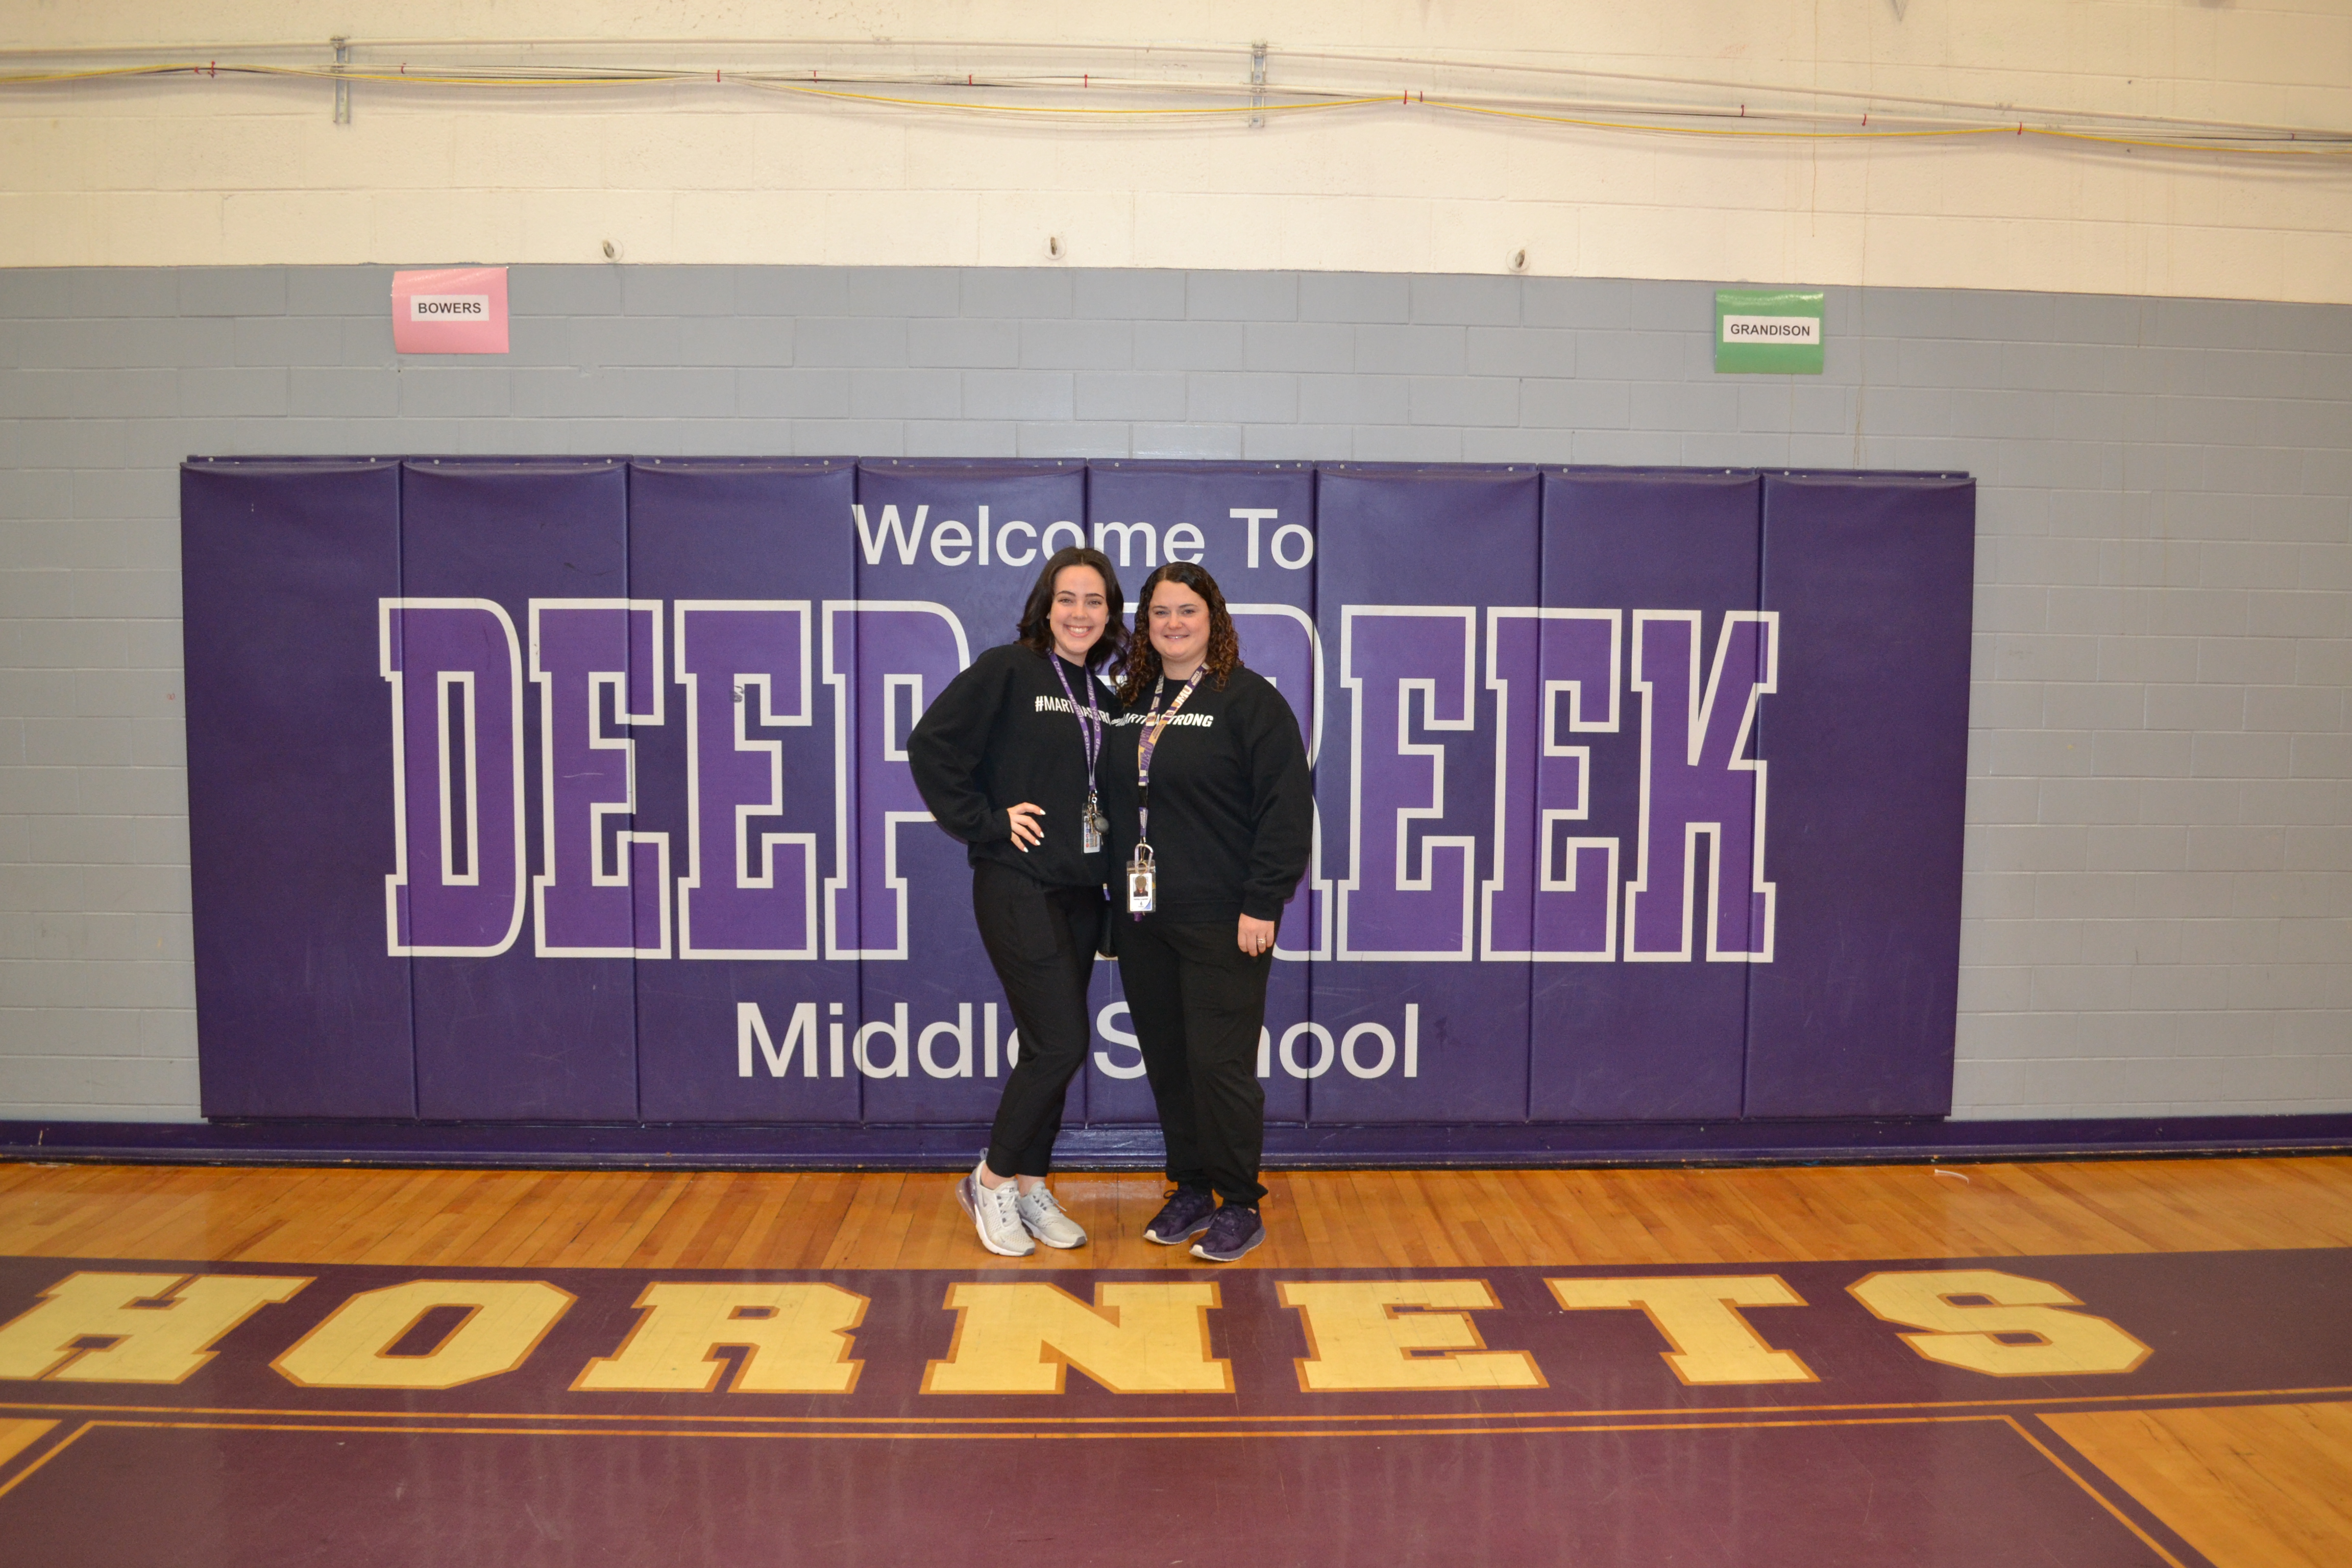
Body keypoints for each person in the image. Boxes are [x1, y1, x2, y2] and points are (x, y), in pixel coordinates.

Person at [907, 547, 1127, 1257]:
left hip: (1081, 892)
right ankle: (993, 1179)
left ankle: (1031, 1185)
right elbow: (932, 745)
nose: (1080, 613)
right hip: (1016, 884)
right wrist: (990, 820)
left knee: (1049, 1048)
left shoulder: (1107, 697)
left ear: (1110, 614)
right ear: (1045, 606)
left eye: (1095, 601)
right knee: (1063, 1041)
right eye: (1068, 599)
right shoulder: (1008, 671)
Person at [1105, 561, 1313, 1263]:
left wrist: (1263, 902)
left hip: (1225, 919)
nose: (1172, 624)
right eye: (1159, 612)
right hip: (1144, 919)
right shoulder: (1131, 699)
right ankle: (1191, 1186)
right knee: (1168, 1061)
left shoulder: (1247, 701)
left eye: (1186, 611)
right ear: (1145, 624)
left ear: (1213, 619)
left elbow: (1285, 811)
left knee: (1219, 1064)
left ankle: (1240, 1202)